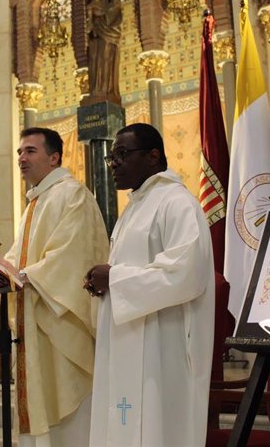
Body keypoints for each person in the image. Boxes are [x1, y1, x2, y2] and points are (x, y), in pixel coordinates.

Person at [85, 123, 215, 446]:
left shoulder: (177, 203)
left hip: (163, 350)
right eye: (111, 158)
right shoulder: (133, 210)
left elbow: (186, 274)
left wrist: (114, 278)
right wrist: (105, 282)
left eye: (122, 154)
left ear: (153, 156)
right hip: (127, 344)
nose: (113, 163)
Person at [0, 127, 110, 447]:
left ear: (54, 157)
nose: (21, 158)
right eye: (19, 152)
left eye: (30, 151)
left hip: (60, 320)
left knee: (69, 410)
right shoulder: (35, 203)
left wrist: (27, 274)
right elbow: (19, 259)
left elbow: (73, 255)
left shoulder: (72, 194)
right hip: (36, 319)